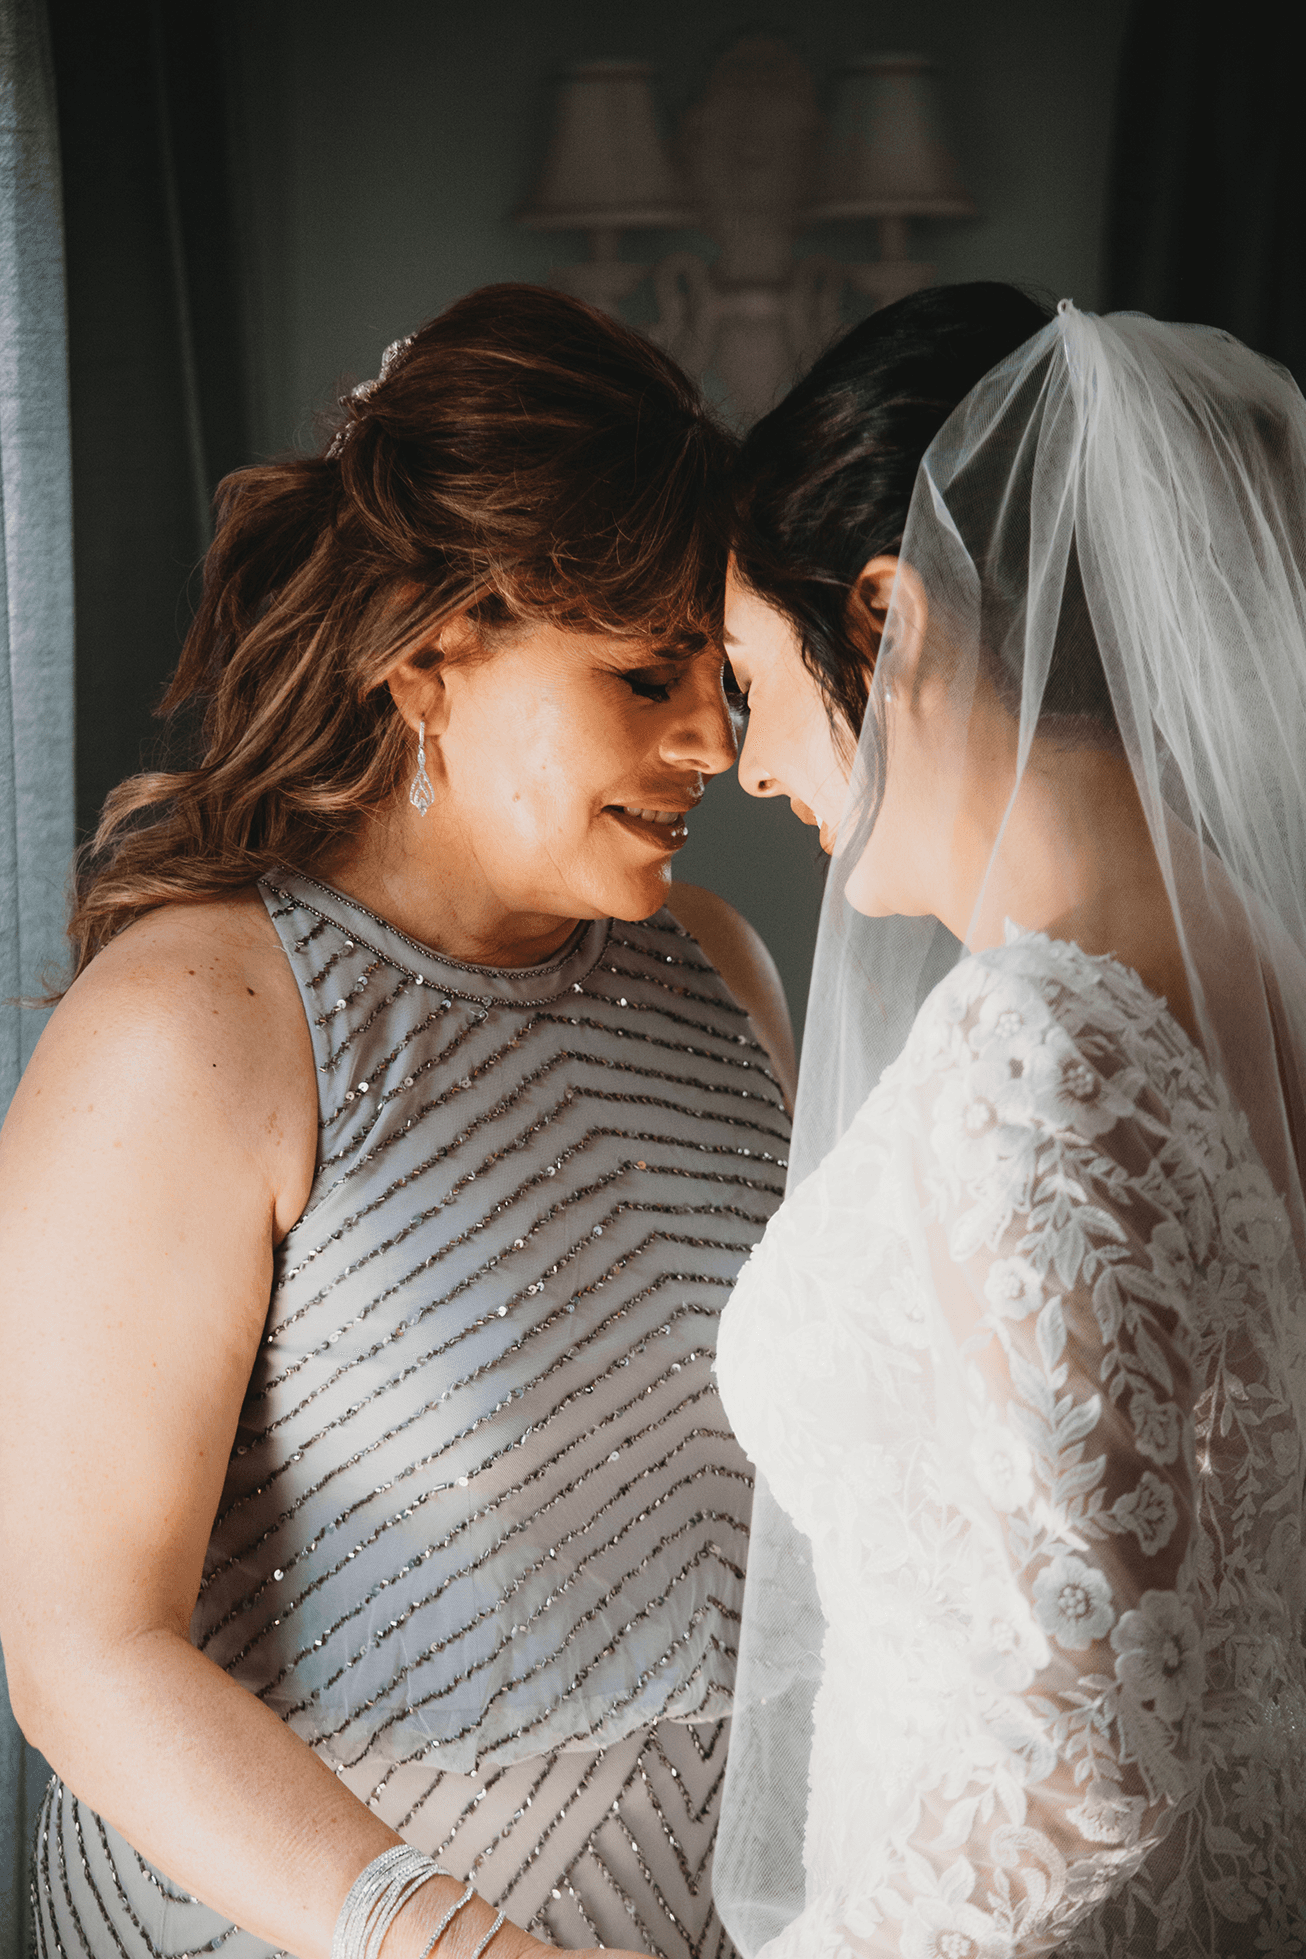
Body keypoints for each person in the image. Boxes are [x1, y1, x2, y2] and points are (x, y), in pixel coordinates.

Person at [0, 285, 796, 1959]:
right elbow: (81, 1645)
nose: (714, 741)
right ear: (431, 654)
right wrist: (440, 1938)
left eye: (718, 673)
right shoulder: (193, 1026)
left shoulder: (719, 967)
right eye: (646, 672)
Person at [710, 283, 1306, 1956]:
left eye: (752, 678)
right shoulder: (1255, 974)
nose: (749, 764)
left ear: (888, 614)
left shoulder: (1036, 1055)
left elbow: (1079, 1753)